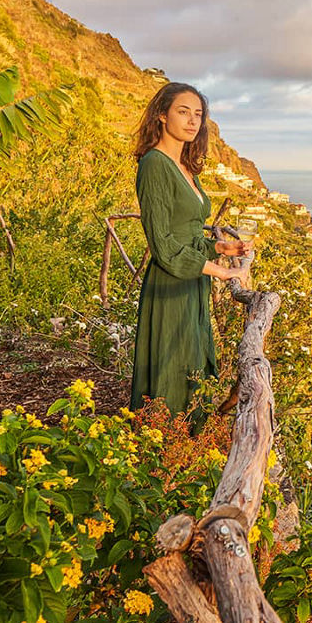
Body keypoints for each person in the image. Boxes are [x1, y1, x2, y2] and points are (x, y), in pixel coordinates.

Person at [129, 82, 251, 428]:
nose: (192, 120)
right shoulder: (154, 164)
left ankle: (186, 443)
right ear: (162, 115)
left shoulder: (184, 165)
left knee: (191, 361)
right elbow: (163, 244)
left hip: (192, 280)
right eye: (183, 111)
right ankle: (163, 447)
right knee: (172, 364)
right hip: (170, 283)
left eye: (198, 114)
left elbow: (187, 231)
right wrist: (221, 271)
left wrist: (221, 247)